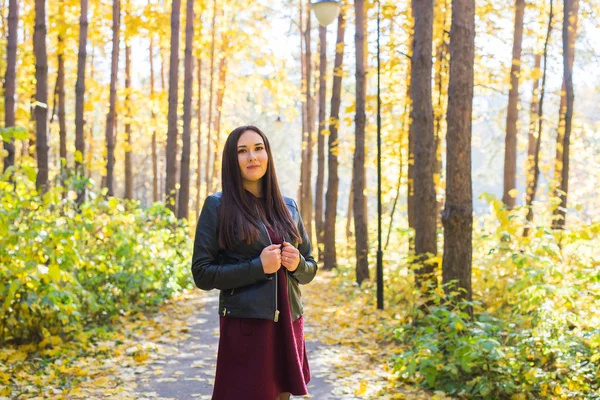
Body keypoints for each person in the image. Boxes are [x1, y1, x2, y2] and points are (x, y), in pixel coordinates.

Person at [191, 125, 318, 400]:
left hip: (288, 323)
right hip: (247, 327)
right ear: (232, 159)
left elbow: (310, 267)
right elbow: (202, 273)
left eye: (258, 148)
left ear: (267, 154)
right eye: (243, 151)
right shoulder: (217, 205)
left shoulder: (289, 206)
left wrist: (297, 265)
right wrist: (257, 267)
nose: (252, 157)